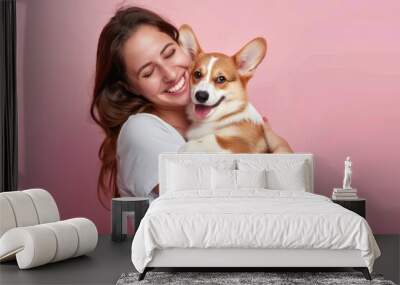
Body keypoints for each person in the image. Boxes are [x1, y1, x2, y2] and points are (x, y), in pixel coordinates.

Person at [90, 6, 293, 208]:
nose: (169, 74)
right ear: (130, 87)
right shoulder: (141, 131)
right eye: (148, 72)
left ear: (184, 49)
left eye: (169, 53)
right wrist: (277, 157)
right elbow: (209, 206)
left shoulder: (218, 119)